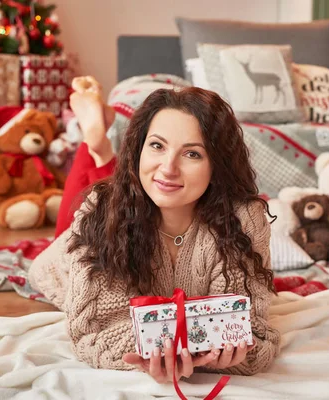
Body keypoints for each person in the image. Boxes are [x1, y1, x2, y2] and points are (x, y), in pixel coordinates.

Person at [29, 77, 280, 383]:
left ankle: (100, 146)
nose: (169, 167)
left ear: (218, 165)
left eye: (192, 154)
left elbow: (251, 331)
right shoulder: (101, 211)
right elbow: (96, 329)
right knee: (95, 197)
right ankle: (95, 140)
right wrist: (157, 356)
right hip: (65, 261)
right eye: (157, 146)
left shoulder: (243, 219)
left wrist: (228, 356)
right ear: (138, 149)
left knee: (110, 188)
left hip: (125, 207)